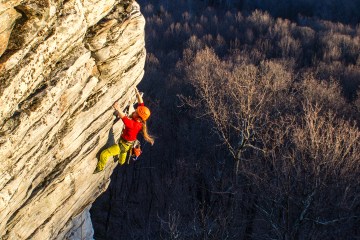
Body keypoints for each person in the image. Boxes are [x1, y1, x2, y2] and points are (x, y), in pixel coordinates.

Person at [94, 88, 154, 173]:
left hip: (123, 145)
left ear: (139, 118)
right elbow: (141, 104)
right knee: (123, 156)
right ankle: (121, 162)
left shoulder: (133, 125)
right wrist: (137, 93)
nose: (134, 111)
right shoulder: (141, 120)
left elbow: (124, 117)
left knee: (105, 154)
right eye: (136, 110)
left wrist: (117, 108)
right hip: (128, 144)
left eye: (136, 112)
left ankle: (100, 167)